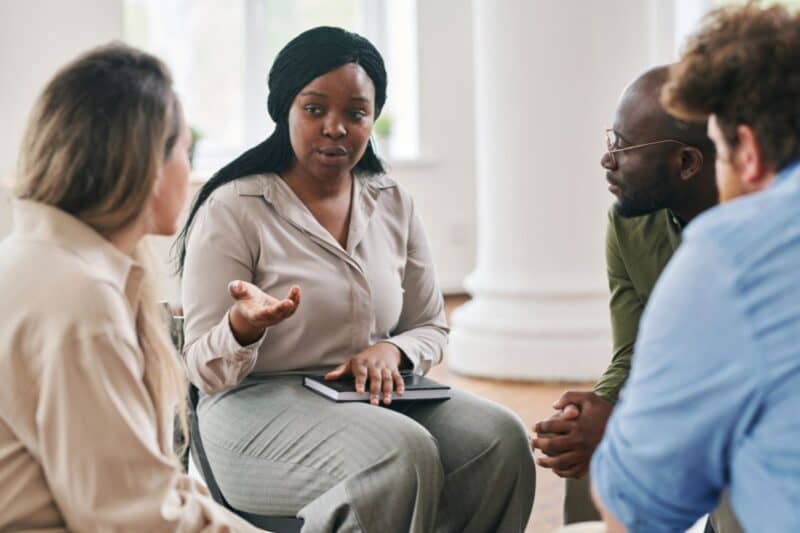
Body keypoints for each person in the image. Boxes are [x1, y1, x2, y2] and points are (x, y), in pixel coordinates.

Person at [175, 26, 535, 532]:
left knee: (500, 437)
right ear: (285, 109)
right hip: (250, 405)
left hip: (371, 398)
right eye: (315, 109)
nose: (336, 128)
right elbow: (202, 368)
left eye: (355, 113)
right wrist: (243, 327)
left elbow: (430, 324)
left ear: (373, 118)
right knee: (398, 454)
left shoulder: (391, 200)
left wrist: (394, 352)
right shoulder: (235, 207)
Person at [0, 44, 261, 531]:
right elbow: (138, 519)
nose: (191, 172)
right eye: (187, 150)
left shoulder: (37, 259)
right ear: (147, 165)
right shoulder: (79, 299)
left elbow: (144, 481)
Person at [591, 4, 800, 532]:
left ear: (746, 153)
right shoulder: (632, 227)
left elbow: (633, 509)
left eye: (721, 152)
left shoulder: (731, 253)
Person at [531, 65, 718, 522]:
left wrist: (630, 424)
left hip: (740, 419)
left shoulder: (761, 235)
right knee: (590, 451)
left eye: (624, 146)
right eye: (611, 139)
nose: (607, 160)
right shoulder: (629, 221)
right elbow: (635, 350)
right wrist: (597, 411)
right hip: (675, 403)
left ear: (687, 163)